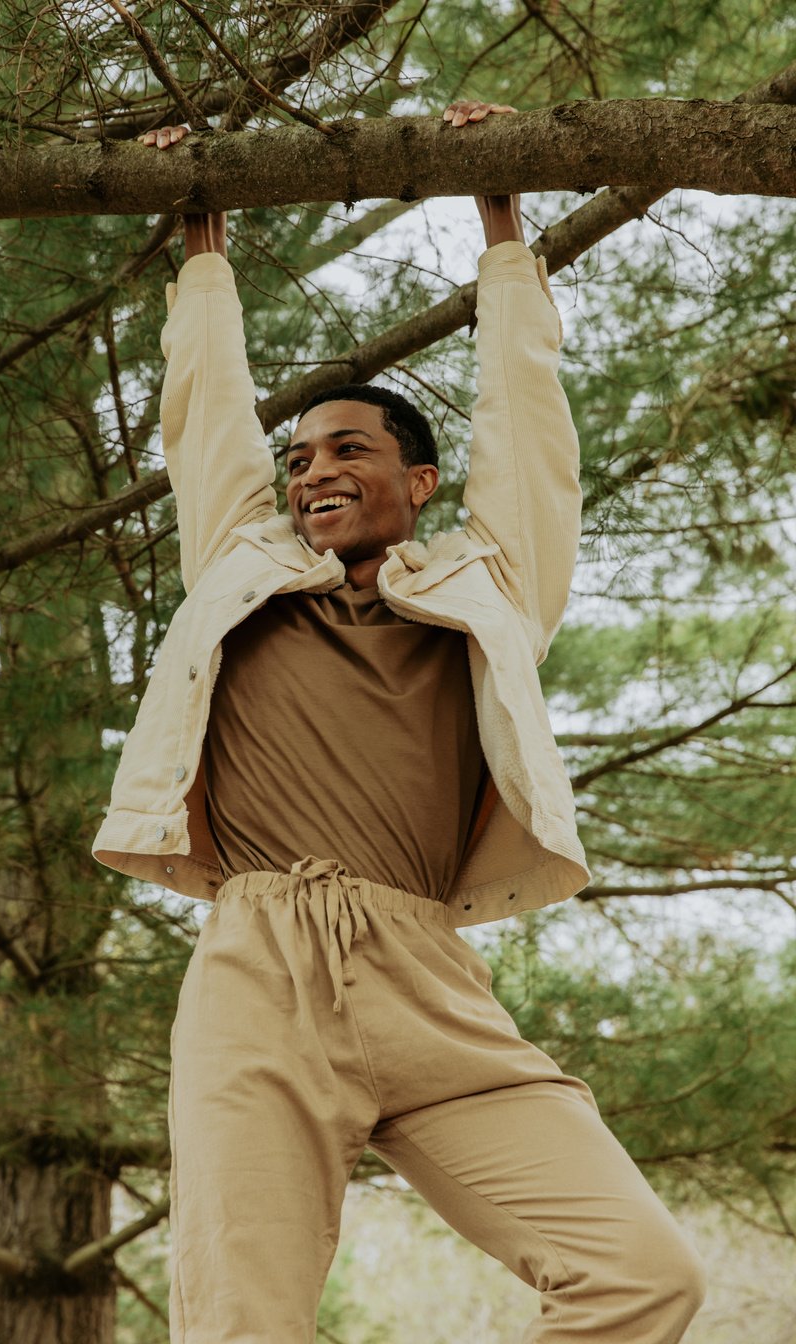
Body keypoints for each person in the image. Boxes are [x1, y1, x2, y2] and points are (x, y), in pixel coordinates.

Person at [92, 100, 707, 1343]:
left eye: (349, 449)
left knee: (643, 1275)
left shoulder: (486, 589)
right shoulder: (240, 570)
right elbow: (204, 421)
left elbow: (529, 434)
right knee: (238, 1323)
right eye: (301, 454)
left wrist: (501, 226)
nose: (312, 469)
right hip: (260, 975)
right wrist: (198, 247)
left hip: (430, 984)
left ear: (416, 483)